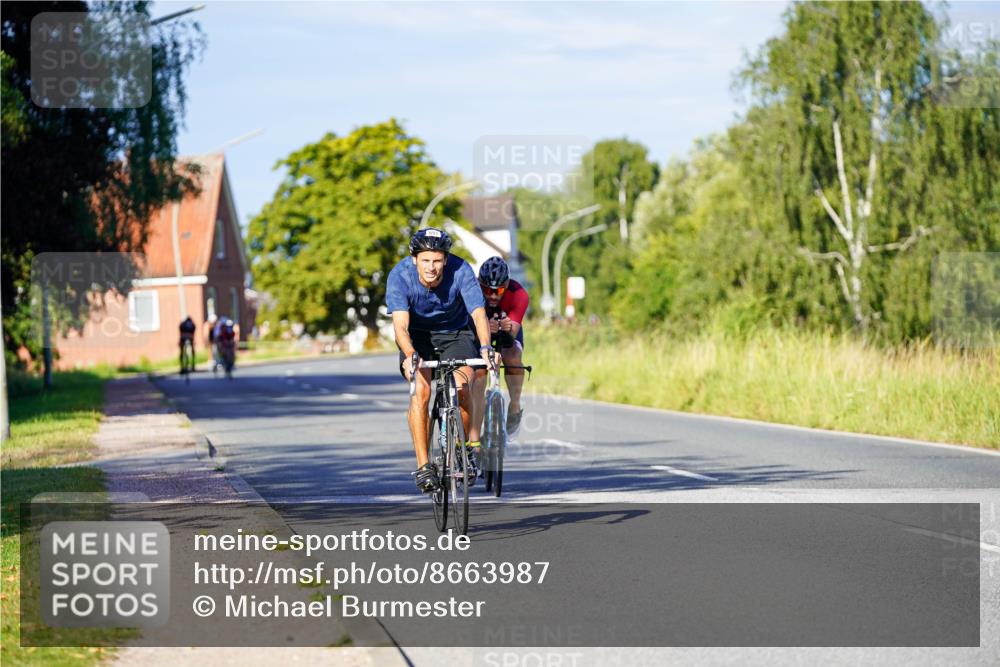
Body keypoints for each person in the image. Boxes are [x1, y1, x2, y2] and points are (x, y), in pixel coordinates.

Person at [386, 227, 495, 493]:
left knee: (461, 386)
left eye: (437, 260)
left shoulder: (461, 271)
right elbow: (400, 327)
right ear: (415, 260)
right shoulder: (400, 276)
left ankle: (461, 448)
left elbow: (479, 314)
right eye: (425, 261)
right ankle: (424, 467)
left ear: (445, 259)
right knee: (421, 391)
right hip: (417, 337)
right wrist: (411, 355)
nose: (431, 267)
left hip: (456, 333)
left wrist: (485, 348)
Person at [473, 256, 528, 434]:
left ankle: (515, 404)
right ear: (480, 285)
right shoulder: (471, 290)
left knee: (512, 356)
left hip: (507, 330)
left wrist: (506, 328)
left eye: (499, 290)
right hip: (480, 331)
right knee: (478, 369)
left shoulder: (518, 294)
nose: (493, 295)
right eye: (487, 290)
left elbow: (511, 335)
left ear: (507, 285)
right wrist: (484, 330)